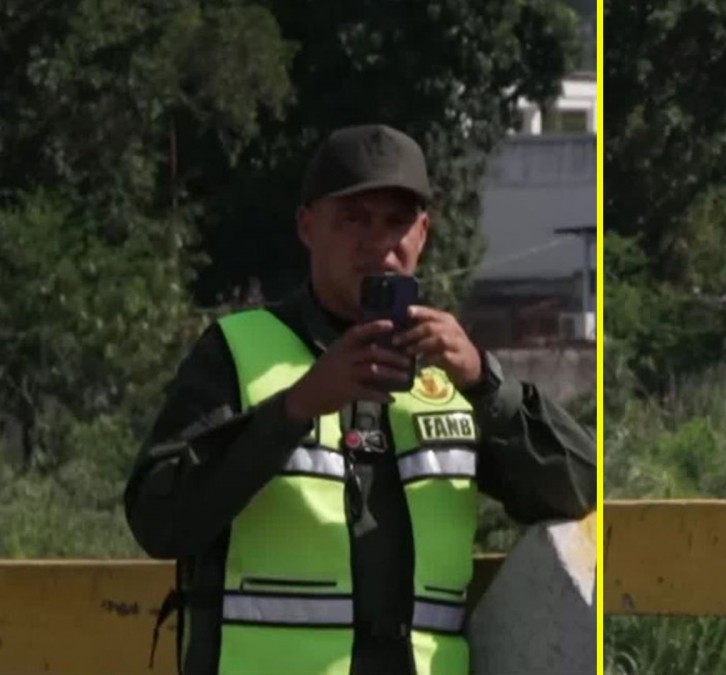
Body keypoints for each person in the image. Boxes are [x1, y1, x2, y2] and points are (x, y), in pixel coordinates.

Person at [124, 124, 596, 675]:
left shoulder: (451, 372)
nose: (378, 243)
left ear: (424, 232)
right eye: (354, 219)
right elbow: (158, 520)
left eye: (397, 222)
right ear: (307, 226)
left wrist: (488, 386)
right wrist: (296, 407)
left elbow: (581, 489)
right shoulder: (237, 351)